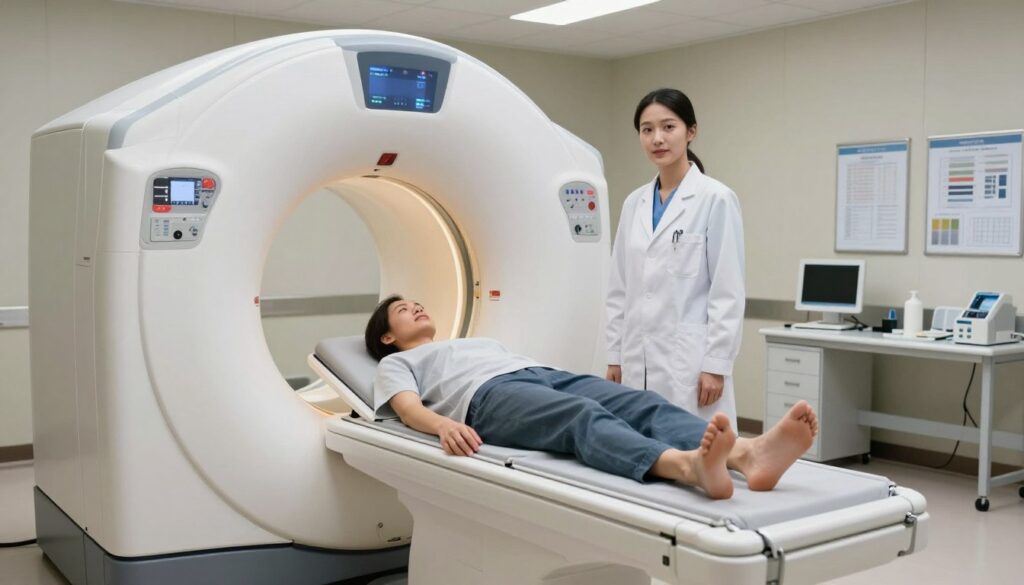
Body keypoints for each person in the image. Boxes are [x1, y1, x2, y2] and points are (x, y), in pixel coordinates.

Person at [365, 295, 817, 500]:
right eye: (404, 310)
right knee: (581, 415)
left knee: (639, 403)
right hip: (486, 398)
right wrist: (444, 425)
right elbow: (407, 409)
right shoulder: (396, 364)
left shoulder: (473, 341)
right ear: (387, 336)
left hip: (538, 373)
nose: (418, 307)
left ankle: (746, 455)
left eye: (419, 303)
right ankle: (687, 466)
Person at [606, 88, 746, 427]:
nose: (657, 138)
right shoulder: (633, 203)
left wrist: (716, 364)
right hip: (636, 359)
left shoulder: (716, 199)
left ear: (691, 131)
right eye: (647, 129)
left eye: (669, 127)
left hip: (690, 362)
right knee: (644, 447)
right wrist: (614, 355)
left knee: (698, 448)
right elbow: (619, 288)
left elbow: (727, 291)